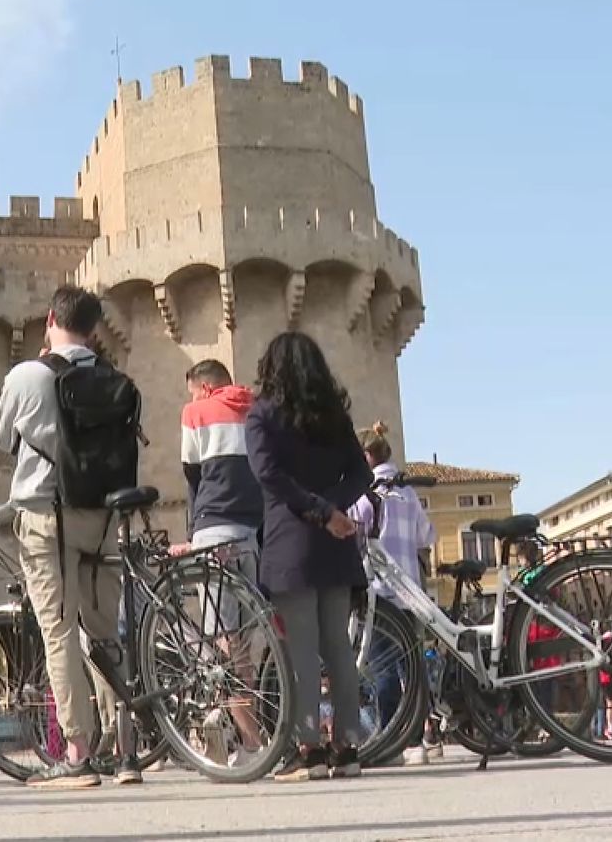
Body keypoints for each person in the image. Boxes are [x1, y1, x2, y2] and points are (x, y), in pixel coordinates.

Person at [0, 285, 129, 789]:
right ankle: (126, 749)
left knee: (60, 632)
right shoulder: (114, 378)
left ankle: (77, 752)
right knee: (104, 633)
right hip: (105, 520)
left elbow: (2, 437)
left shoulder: (27, 375)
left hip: (46, 516)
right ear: (94, 330)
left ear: (49, 319)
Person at [244, 331, 373, 782]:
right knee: (338, 646)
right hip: (335, 543)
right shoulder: (334, 416)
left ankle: (309, 749)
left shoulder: (262, 415)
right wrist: (334, 508)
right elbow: (361, 471)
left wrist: (318, 511)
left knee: (300, 650)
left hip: (291, 540)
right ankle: (349, 746)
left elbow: (269, 476)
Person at [176, 358, 267, 765]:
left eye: (192, 391)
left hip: (213, 532)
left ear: (204, 387)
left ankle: (249, 744)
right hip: (251, 534)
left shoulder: (196, 411)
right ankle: (238, 729)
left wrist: (192, 531)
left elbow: (193, 478)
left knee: (223, 646)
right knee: (244, 643)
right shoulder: (256, 411)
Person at [346, 422, 436, 766]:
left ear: (367, 456)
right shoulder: (408, 492)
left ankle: (393, 742)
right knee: (412, 667)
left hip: (380, 593)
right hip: (410, 591)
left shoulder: (368, 493)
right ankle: (421, 740)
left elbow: (353, 533)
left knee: (382, 669)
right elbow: (427, 537)